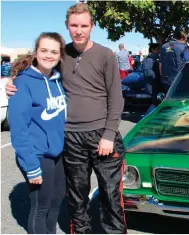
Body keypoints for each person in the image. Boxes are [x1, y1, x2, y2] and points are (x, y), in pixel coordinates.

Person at [6, 3, 127, 233]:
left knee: (111, 196)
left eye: (84, 25)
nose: (79, 30)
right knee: (77, 197)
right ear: (66, 26)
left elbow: (116, 98)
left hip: (102, 135)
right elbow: (32, 66)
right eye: (74, 25)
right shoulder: (62, 54)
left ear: (92, 26)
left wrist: (109, 134)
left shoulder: (106, 55)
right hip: (71, 137)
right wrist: (13, 82)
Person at [9, 32, 67, 234]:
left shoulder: (58, 81)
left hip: (57, 153)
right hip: (37, 154)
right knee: (41, 206)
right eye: (44, 50)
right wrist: (31, 165)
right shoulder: (23, 83)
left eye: (54, 51)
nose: (48, 55)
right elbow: (18, 129)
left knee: (58, 197)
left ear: (60, 56)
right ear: (36, 52)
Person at [159, 29, 189, 93]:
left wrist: (162, 76)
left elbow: (160, 64)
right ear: (182, 38)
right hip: (179, 80)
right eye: (185, 39)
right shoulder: (183, 47)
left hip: (166, 80)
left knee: (168, 98)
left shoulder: (164, 46)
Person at [142, 43, 162, 114]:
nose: (159, 51)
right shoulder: (148, 60)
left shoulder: (155, 58)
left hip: (156, 86)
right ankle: (147, 118)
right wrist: (159, 76)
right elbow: (148, 74)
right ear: (152, 50)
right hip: (152, 86)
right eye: (158, 49)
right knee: (155, 104)